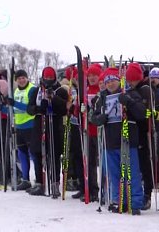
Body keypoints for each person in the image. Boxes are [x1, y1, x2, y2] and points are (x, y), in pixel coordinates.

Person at [91, 67, 145, 215]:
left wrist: (129, 102)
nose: (110, 84)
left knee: (131, 172)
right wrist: (98, 119)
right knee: (114, 174)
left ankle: (134, 202)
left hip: (127, 138)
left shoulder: (129, 93)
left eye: (113, 80)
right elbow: (93, 116)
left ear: (119, 81)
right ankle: (119, 200)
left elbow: (142, 113)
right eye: (107, 82)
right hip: (110, 140)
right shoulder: (101, 97)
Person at [27, 66, 68, 197]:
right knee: (38, 153)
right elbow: (30, 108)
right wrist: (39, 109)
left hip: (54, 125)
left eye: (51, 77)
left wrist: (53, 99)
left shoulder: (60, 90)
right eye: (46, 77)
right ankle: (40, 182)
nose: (48, 80)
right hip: (40, 124)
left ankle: (55, 183)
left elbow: (64, 109)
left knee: (54, 154)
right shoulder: (36, 90)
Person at [125, 62, 154, 210]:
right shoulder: (133, 89)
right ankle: (139, 192)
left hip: (143, 130)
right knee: (137, 163)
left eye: (132, 79)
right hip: (133, 130)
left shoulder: (145, 89)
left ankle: (147, 193)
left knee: (144, 162)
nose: (130, 82)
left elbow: (147, 112)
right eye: (129, 79)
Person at [71, 63, 102, 202]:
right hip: (87, 130)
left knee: (100, 162)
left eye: (94, 75)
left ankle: (103, 190)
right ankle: (89, 188)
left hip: (100, 131)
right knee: (88, 162)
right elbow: (77, 110)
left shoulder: (101, 90)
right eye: (89, 75)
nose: (92, 78)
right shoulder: (85, 90)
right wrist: (78, 108)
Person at [8, 70, 37, 191]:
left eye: (23, 78)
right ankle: (25, 180)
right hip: (19, 126)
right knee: (22, 154)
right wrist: (3, 108)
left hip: (30, 125)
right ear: (16, 80)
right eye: (19, 78)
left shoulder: (32, 89)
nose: (21, 80)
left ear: (27, 78)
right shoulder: (15, 91)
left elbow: (30, 108)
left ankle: (39, 179)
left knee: (33, 154)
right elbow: (14, 109)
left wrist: (15, 103)